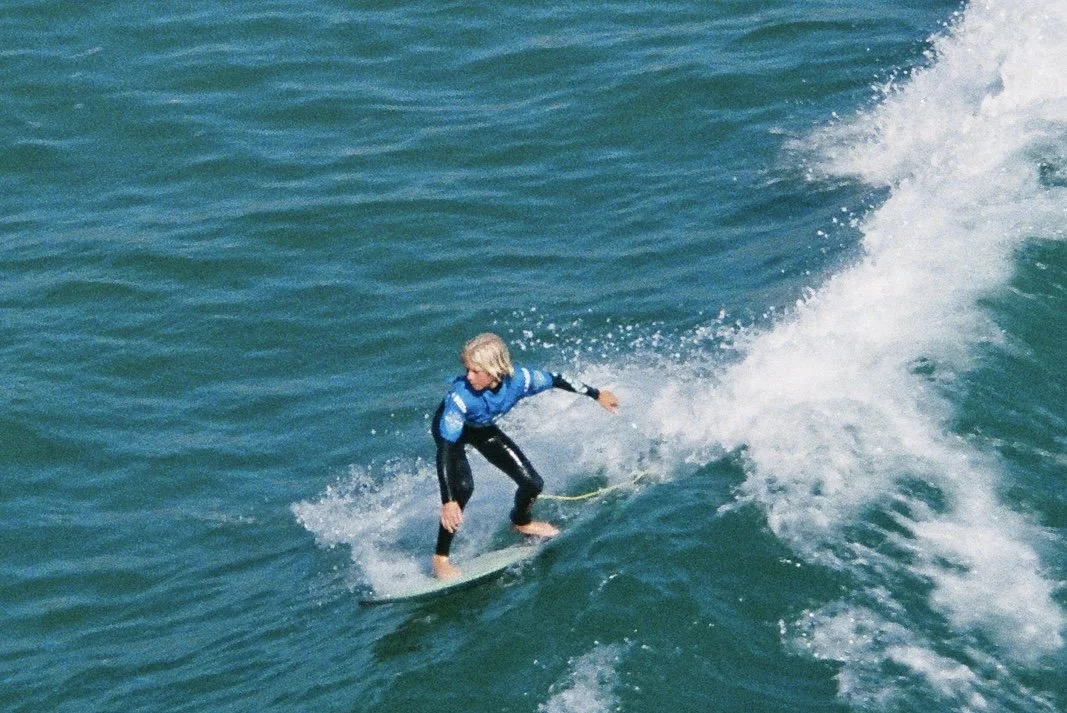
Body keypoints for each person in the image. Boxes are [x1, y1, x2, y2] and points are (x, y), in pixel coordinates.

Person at [431, 332, 620, 579]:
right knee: (462, 488)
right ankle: (440, 558)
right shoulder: (460, 397)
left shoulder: (522, 379)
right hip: (450, 433)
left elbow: (557, 379)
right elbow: (445, 447)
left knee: (532, 483)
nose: (469, 376)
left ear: (494, 370)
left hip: (483, 429)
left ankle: (521, 521)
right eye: (467, 369)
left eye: (476, 371)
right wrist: (448, 500)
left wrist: (596, 394)